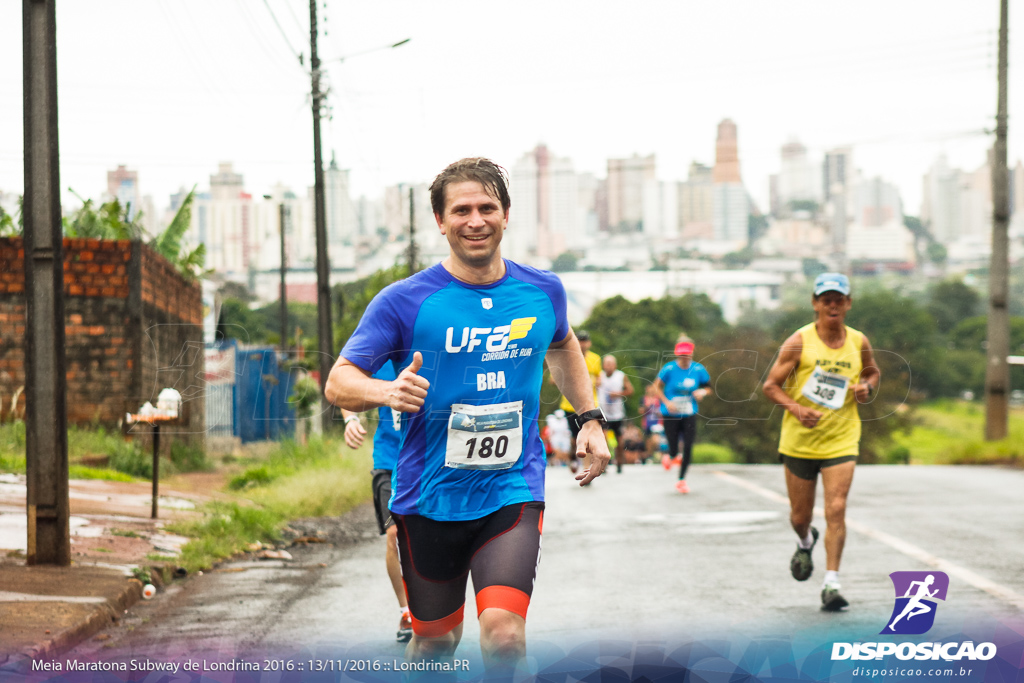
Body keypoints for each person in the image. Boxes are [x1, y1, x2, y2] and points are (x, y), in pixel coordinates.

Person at [324, 158, 610, 673]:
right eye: (461, 210)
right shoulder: (403, 302)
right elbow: (339, 379)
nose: (475, 220)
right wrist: (386, 390)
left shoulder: (543, 291)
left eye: (487, 208)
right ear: (440, 221)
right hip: (427, 495)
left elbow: (563, 345)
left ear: (506, 215)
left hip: (511, 488)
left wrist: (589, 418)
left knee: (504, 635)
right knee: (436, 642)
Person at [762, 272, 880, 612]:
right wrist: (797, 409)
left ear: (848, 304)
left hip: (841, 439)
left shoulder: (859, 342)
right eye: (825, 299)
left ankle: (832, 583)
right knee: (800, 515)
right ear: (815, 303)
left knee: (837, 508)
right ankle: (804, 539)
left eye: (838, 299)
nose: (832, 305)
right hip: (799, 441)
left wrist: (867, 387)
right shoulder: (799, 341)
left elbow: (872, 372)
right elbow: (770, 385)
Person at [339, 361, 412, 643]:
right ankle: (406, 610)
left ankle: (435, 607)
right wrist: (351, 419)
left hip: (428, 463)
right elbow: (345, 388)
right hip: (388, 463)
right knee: (394, 534)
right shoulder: (380, 360)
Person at [654, 336, 711, 493]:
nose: (684, 358)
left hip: (689, 412)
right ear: (677, 355)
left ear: (691, 355)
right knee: (673, 444)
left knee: (688, 445)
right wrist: (666, 402)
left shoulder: (698, 370)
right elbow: (656, 387)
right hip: (671, 413)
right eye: (681, 355)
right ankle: (671, 455)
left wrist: (702, 392)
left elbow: (708, 387)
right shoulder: (669, 369)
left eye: (687, 355)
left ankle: (681, 480)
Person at [553, 330, 602, 474]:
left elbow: (599, 378)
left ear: (589, 343)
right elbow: (553, 378)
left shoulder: (595, 358)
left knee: (588, 436)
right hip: (570, 404)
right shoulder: (568, 357)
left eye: (585, 341)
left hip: (590, 404)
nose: (582, 344)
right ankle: (574, 458)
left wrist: (597, 382)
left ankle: (586, 468)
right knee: (575, 438)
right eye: (579, 340)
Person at [597, 354, 634, 473]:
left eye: (611, 364)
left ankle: (619, 462)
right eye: (606, 364)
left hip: (617, 414)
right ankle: (604, 464)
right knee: (604, 439)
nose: (609, 366)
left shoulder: (621, 376)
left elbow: (630, 390)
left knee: (619, 441)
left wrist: (618, 394)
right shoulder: (600, 376)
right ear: (603, 365)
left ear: (615, 365)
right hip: (604, 413)